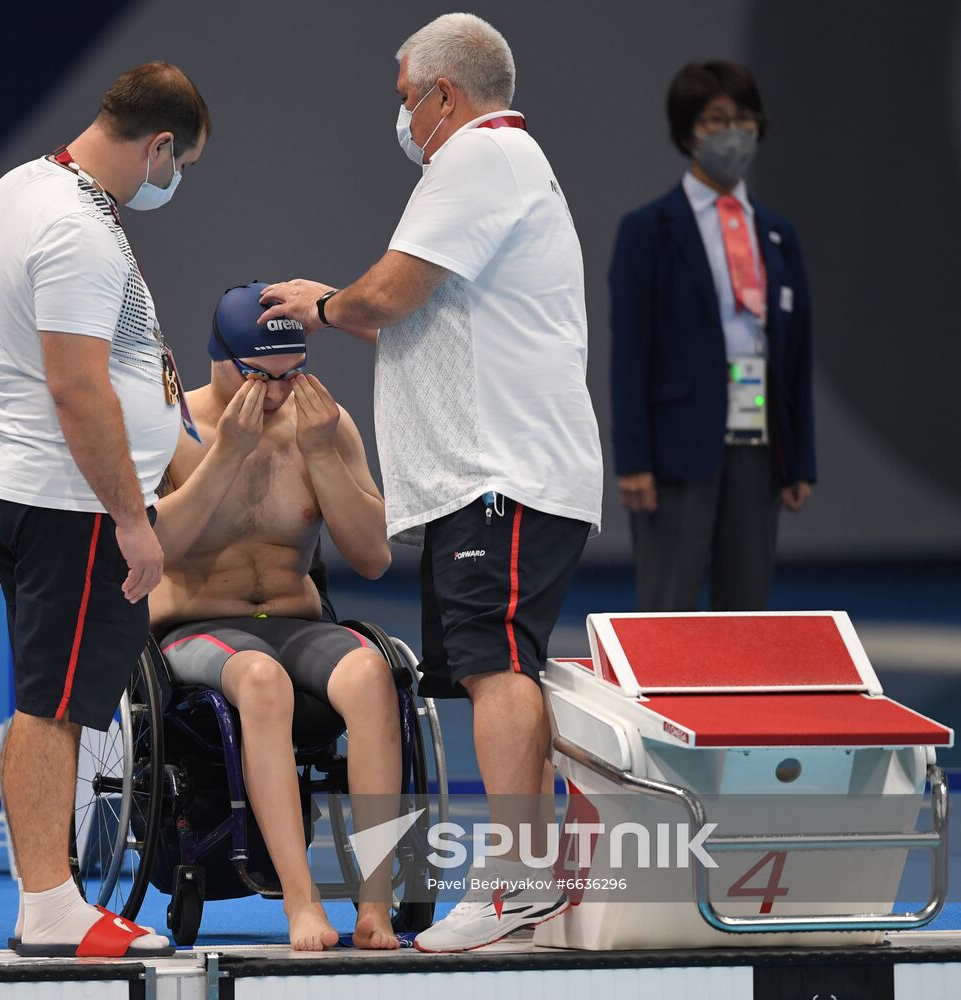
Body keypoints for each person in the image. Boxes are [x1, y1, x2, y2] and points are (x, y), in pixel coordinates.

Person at [256, 14, 602, 952]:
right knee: (495, 671)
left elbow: (388, 295)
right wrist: (332, 307)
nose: (401, 116)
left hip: (504, 473)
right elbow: (416, 319)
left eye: (405, 97)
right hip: (483, 477)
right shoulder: (498, 169)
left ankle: (515, 883)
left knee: (497, 672)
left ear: (443, 95)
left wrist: (323, 306)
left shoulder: (479, 161)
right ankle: (526, 882)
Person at [0, 62, 209, 959]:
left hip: (33, 487)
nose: (171, 182)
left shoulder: (24, 188)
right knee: (52, 707)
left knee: (52, 701)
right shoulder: (75, 229)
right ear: (156, 147)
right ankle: (49, 906)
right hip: (73, 505)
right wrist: (133, 519)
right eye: (177, 164)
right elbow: (76, 390)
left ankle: (52, 895)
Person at [150, 283, 398, 951]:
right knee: (260, 680)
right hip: (195, 627)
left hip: (295, 619)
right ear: (220, 359)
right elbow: (154, 552)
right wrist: (225, 455)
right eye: (260, 377)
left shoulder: (324, 424)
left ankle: (375, 902)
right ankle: (301, 901)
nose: (277, 395)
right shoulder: (168, 424)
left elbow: (372, 557)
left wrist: (321, 456)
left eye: (293, 377)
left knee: (373, 676)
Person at [609, 61, 815, 612]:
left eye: (745, 119)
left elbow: (795, 354)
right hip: (677, 440)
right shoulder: (648, 230)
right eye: (717, 119)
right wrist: (632, 459)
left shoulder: (777, 232)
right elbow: (630, 353)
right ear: (687, 131)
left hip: (758, 431)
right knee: (668, 603)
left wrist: (800, 459)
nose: (734, 132)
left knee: (748, 606)